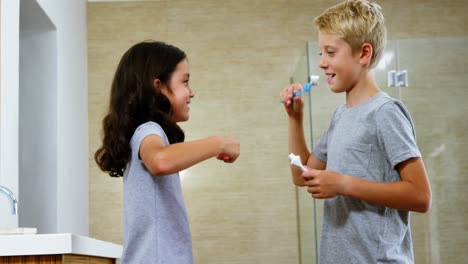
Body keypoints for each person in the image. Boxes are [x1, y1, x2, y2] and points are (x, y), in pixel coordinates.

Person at [279, 1, 431, 263]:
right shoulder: (341, 116)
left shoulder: (385, 112)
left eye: (330, 52)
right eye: (320, 53)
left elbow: (420, 196)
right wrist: (295, 118)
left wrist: (342, 183)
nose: (322, 63)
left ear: (363, 54)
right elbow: (301, 176)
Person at [94, 41, 240, 264]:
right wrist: (218, 143)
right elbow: (160, 161)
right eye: (185, 82)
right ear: (158, 87)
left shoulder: (145, 133)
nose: (192, 92)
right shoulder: (149, 130)